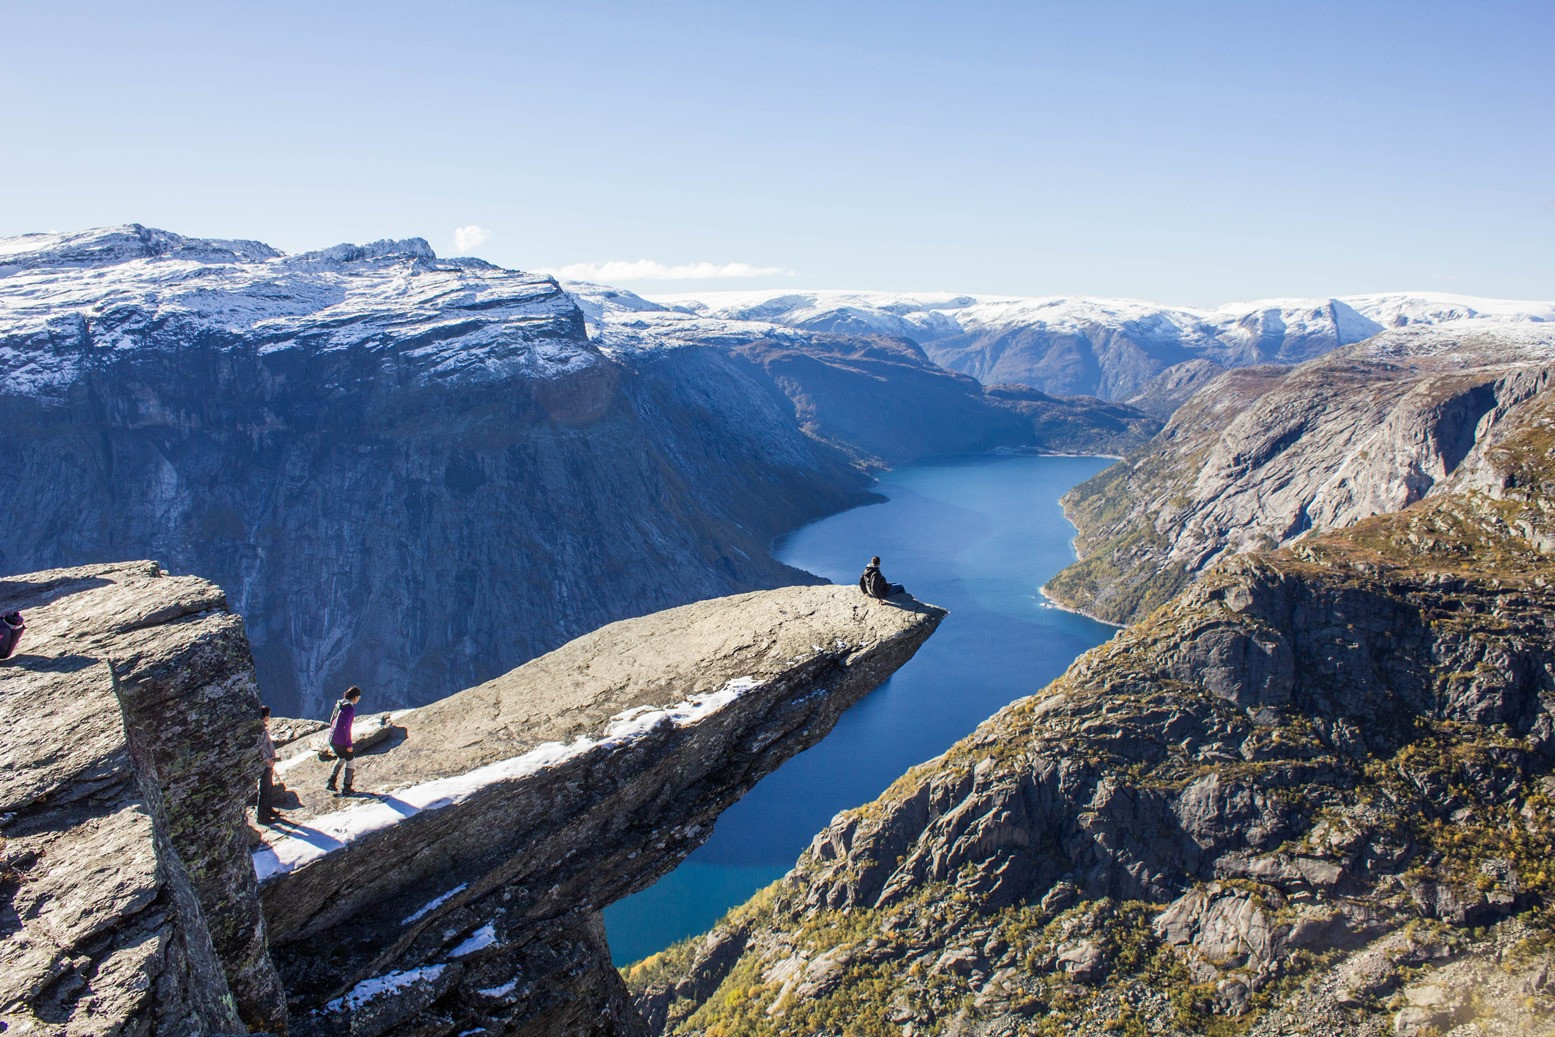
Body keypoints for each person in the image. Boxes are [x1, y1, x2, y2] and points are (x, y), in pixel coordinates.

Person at [326, 686, 362, 795]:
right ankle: (347, 787)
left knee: (341, 758)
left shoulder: (339, 704)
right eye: (358, 697)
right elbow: (346, 727)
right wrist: (349, 744)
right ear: (355, 697)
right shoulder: (350, 709)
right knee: (350, 761)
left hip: (332, 738)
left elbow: (332, 720)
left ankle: (331, 782)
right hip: (341, 740)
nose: (358, 699)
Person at [257, 705, 281, 823]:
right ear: (265, 716)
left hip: (268, 762)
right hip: (265, 763)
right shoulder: (260, 730)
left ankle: (268, 809)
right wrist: (267, 759)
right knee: (265, 789)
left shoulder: (262, 728)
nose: (269, 718)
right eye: (268, 715)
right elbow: (261, 747)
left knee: (268, 788)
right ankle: (262, 816)